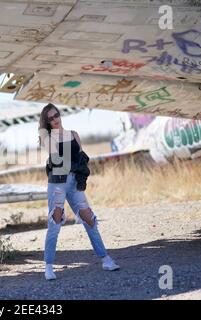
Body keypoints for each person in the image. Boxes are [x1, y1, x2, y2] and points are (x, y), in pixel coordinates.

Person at [38, 103, 120, 280]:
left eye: (56, 115)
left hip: (74, 182)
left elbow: (81, 158)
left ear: (60, 115)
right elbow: (58, 161)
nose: (55, 120)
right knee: (55, 221)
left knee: (89, 219)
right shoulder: (48, 138)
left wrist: (81, 174)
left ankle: (105, 259)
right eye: (50, 118)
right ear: (47, 122)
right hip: (57, 183)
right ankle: (49, 266)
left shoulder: (74, 134)